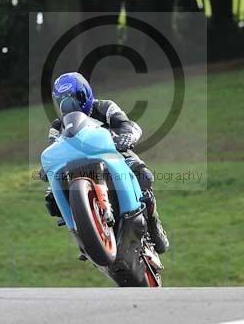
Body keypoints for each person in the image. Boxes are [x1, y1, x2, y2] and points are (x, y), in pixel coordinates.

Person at [41, 71, 169, 253]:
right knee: (51, 199)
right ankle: (83, 232)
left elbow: (127, 124)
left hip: (113, 155)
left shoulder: (104, 107)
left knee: (142, 175)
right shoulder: (57, 126)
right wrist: (46, 168)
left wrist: (126, 136)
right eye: (62, 102)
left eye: (74, 99)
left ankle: (154, 225)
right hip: (74, 166)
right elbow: (54, 148)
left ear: (86, 93)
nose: (69, 106)